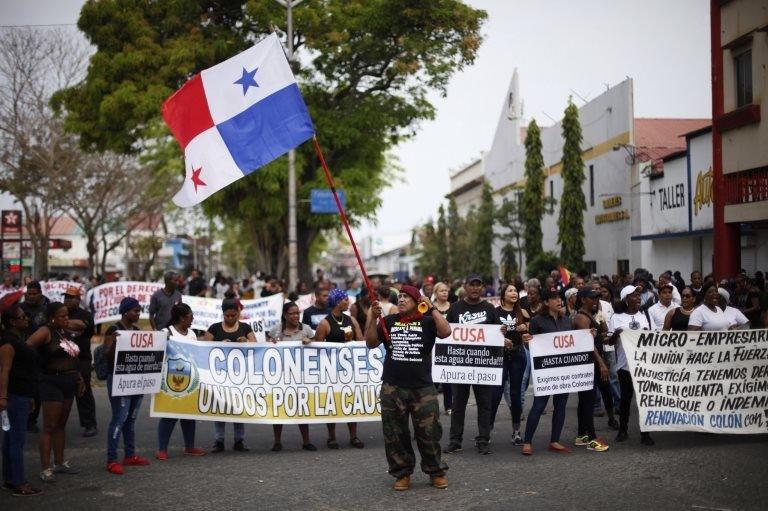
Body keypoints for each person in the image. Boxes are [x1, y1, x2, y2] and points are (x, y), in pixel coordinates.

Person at [365, 284, 450, 490]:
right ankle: (402, 473)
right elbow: (370, 343)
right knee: (395, 434)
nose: (401, 299)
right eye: (399, 296)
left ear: (417, 301)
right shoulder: (389, 322)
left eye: (406, 297)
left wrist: (432, 308)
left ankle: (435, 471)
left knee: (429, 433)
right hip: (393, 387)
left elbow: (446, 332)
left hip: (423, 388)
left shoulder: (428, 322)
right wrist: (371, 316)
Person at [26, 302, 86, 482]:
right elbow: (26, 348)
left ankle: (59, 463)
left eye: (67, 315)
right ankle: (45, 469)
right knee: (49, 427)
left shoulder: (64, 331)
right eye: (62, 316)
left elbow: (82, 325)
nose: (66, 318)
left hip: (69, 381)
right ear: (52, 317)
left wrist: (79, 377)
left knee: (61, 425)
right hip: (51, 382)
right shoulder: (45, 331)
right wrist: (35, 370)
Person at [444, 274, 500, 456]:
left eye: (479, 285)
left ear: (483, 288)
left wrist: (502, 335)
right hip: (460, 365)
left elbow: (496, 335)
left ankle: (483, 440)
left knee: (485, 404)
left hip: (483, 365)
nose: (475, 288)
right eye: (472, 285)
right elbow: (446, 334)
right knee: (458, 404)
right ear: (465, 287)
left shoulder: (490, 309)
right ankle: (455, 441)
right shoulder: (455, 309)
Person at [520, 289, 573, 456]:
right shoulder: (537, 321)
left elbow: (573, 343)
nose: (559, 301)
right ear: (546, 302)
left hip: (563, 370)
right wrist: (526, 341)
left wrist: (588, 336)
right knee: (539, 405)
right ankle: (527, 441)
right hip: (545, 372)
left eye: (559, 297)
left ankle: (555, 441)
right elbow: (532, 346)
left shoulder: (567, 321)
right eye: (554, 298)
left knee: (561, 405)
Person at [102, 298, 152, 475]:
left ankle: (129, 455)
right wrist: (115, 343)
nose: (138, 314)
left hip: (136, 380)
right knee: (119, 418)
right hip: (118, 380)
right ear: (125, 312)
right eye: (135, 311)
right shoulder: (113, 330)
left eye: (139, 311)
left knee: (131, 419)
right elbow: (106, 356)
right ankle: (111, 459)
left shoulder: (137, 331)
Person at [0, 304, 42, 496]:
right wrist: (3, 397)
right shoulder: (8, 343)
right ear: (12, 322)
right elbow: (4, 372)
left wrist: (31, 396)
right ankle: (18, 482)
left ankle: (9, 479)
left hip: (22, 395)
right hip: (14, 397)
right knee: (16, 440)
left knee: (10, 440)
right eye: (22, 316)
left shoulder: (18, 339)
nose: (26, 318)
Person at [203, 299, 256, 452]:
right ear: (223, 314)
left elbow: (257, 345)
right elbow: (203, 347)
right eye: (228, 316)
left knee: (238, 406)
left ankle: (239, 440)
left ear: (238, 313)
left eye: (234, 315)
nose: (231, 318)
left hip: (240, 374)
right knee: (220, 406)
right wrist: (219, 343)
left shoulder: (245, 327)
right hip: (219, 374)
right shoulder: (214, 328)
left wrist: (246, 341)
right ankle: (219, 440)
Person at [315, 289, 365, 449]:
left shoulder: (352, 320)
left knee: (351, 401)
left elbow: (361, 340)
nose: (348, 302)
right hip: (331, 371)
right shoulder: (325, 323)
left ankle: (354, 436)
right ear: (337, 302)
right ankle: (331, 437)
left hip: (350, 369)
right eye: (345, 299)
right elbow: (318, 347)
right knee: (332, 402)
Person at [156, 303, 206, 460]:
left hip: (189, 379)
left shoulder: (191, 333)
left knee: (188, 414)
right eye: (190, 316)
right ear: (182, 318)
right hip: (170, 380)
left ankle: (189, 447)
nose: (193, 319)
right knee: (169, 415)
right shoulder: (166, 333)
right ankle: (162, 449)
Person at [606, 285, 654, 446]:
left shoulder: (645, 315)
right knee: (626, 399)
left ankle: (645, 433)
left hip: (644, 365)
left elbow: (654, 339)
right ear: (626, 299)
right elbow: (610, 342)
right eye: (634, 296)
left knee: (644, 399)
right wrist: (617, 334)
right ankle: (623, 430)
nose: (638, 298)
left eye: (639, 295)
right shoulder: (617, 318)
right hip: (625, 365)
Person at [267, 302, 317, 451]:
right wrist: (271, 342)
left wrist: (311, 342)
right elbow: (266, 345)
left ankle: (306, 441)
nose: (296, 316)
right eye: (292, 313)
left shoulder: (306, 329)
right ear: (285, 315)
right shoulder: (276, 330)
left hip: (300, 375)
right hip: (281, 375)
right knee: (278, 407)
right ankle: (277, 441)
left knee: (301, 407)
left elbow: (318, 343)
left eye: (297, 313)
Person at [572, 288, 610, 452]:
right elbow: (589, 344)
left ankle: (581, 435)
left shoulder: (591, 315)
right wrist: (601, 363)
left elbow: (604, 331)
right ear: (583, 300)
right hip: (588, 364)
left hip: (590, 363)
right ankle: (593, 439)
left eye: (597, 298)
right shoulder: (581, 318)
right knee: (588, 400)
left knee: (585, 400)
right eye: (592, 298)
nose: (596, 301)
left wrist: (600, 317)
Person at [490, 283, 529, 446]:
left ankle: (516, 432)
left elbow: (530, 332)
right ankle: (487, 431)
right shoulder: (495, 312)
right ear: (503, 295)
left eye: (515, 291)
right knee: (495, 394)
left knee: (516, 394)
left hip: (518, 354)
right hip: (500, 356)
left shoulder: (523, 312)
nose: (514, 293)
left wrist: (525, 329)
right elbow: (488, 332)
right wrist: (500, 336)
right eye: (510, 291)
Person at [61, 287, 97, 438]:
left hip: (81, 360)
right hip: (62, 359)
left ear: (78, 299)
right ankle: (58, 425)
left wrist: (65, 323)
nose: (68, 300)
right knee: (61, 392)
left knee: (83, 392)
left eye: (71, 297)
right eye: (66, 297)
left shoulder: (86, 314)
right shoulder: (61, 313)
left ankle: (89, 424)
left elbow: (84, 327)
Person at [20, 280, 49, 433]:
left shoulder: (46, 310)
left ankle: (31, 420)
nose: (31, 296)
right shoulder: (19, 309)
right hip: (21, 355)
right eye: (28, 294)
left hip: (40, 356)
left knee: (37, 390)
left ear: (40, 294)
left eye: (34, 294)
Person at [432, 282, 452, 415]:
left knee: (448, 380)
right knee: (435, 379)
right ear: (435, 293)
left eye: (446, 290)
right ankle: (431, 405)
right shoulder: (430, 308)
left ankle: (448, 406)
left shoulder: (454, 307)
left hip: (451, 346)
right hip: (434, 346)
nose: (445, 293)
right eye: (441, 291)